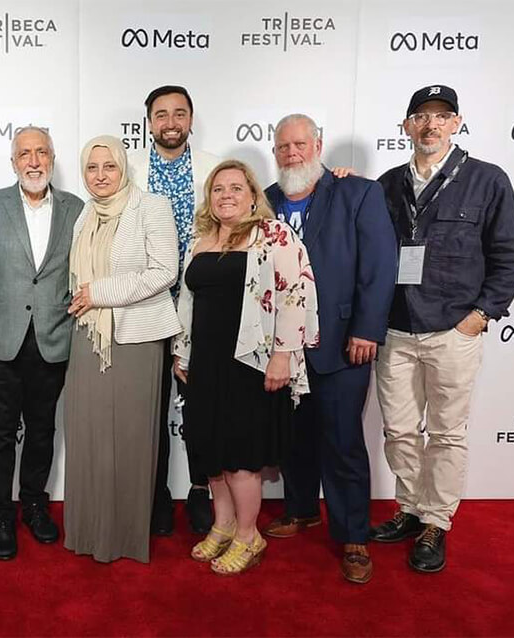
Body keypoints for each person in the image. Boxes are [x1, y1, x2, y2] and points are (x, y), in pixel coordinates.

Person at [371, 85, 514, 573]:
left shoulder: (487, 179)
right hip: (396, 328)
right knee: (398, 430)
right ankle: (411, 510)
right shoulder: (387, 184)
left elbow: (507, 256)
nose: (430, 125)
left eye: (442, 116)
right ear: (406, 126)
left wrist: (480, 315)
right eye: (420, 116)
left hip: (452, 330)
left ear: (457, 123)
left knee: (446, 433)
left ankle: (437, 521)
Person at [260, 114, 397, 584]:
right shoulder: (265, 200)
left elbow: (379, 268)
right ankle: (301, 509)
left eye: (300, 143)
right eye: (283, 146)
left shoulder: (357, 193)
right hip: (283, 347)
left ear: (318, 145)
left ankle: (354, 535)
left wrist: (367, 330)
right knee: (293, 436)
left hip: (341, 344)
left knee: (342, 441)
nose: (291, 153)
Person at [174, 159, 318, 575]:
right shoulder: (200, 239)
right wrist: (182, 352)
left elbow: (295, 296)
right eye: (218, 189)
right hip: (205, 363)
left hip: (251, 363)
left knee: (240, 456)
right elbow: (187, 301)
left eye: (236, 188)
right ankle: (223, 527)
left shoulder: (273, 235)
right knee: (212, 454)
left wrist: (282, 355)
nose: (227, 196)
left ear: (254, 194)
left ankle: (248, 535)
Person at [64, 135, 181, 564]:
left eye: (108, 166)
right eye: (92, 168)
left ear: (123, 167)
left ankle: (126, 536)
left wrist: (99, 292)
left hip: (136, 339)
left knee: (131, 439)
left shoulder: (151, 207)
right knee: (89, 435)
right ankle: (89, 530)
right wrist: (83, 297)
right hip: (89, 337)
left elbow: (165, 272)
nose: (100, 176)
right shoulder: (83, 214)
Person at [0, 127, 83, 560]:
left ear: (52, 158)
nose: (33, 161)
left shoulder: (76, 209)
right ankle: (2, 514)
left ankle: (35, 504)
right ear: (13, 161)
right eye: (24, 154)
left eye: (41, 152)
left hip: (54, 340)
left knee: (42, 431)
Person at [127, 85, 222, 535]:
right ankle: (154, 495)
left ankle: (201, 490)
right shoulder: (128, 170)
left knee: (201, 407)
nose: (170, 122)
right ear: (149, 122)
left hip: (200, 307)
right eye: (161, 114)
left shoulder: (211, 168)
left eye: (179, 113)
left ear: (190, 119)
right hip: (144, 306)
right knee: (150, 408)